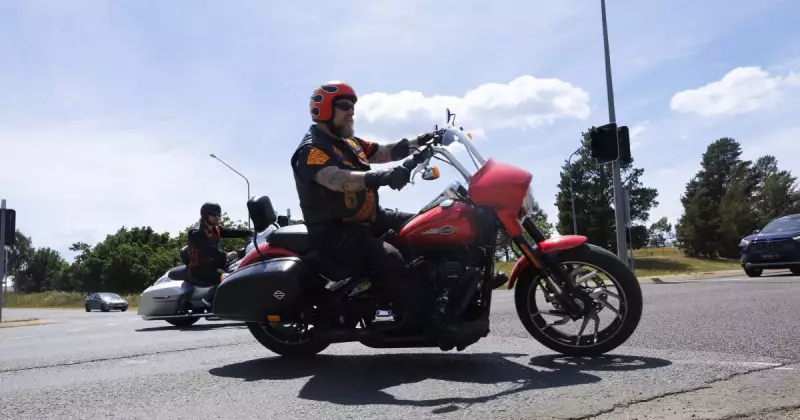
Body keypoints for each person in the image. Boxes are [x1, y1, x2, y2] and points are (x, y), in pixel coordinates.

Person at [290, 80, 450, 335]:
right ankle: (419, 318)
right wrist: (380, 178)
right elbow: (336, 179)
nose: (351, 111)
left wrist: (423, 140)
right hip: (336, 231)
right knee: (389, 257)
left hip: (369, 217)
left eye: (353, 106)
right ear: (323, 111)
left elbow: (385, 152)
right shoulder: (312, 150)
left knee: (431, 221)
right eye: (344, 106)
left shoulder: (351, 143)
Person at [186, 202, 251, 307]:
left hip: (214, 265)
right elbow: (207, 250)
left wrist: (251, 232)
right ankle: (209, 301)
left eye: (218, 214)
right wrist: (226, 254)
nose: (217, 217)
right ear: (205, 215)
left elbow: (232, 232)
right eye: (213, 214)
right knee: (227, 277)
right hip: (200, 269)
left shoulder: (216, 229)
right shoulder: (197, 233)